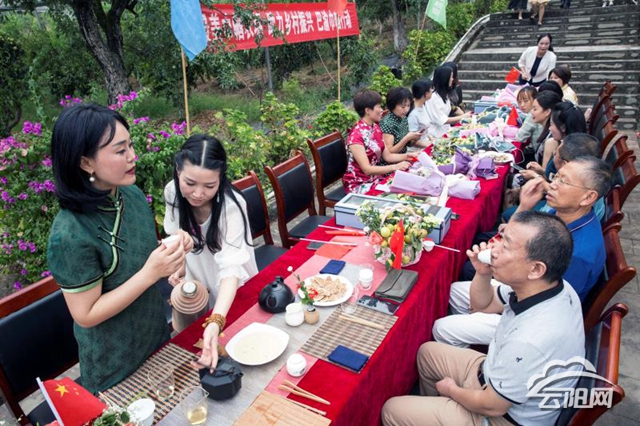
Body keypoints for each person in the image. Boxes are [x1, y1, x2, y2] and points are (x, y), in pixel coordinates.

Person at [383, 212, 585, 426]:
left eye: (505, 246)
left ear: (535, 269)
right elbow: (483, 305)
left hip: (502, 417)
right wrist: (482, 273)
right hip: (490, 374)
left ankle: (437, 412)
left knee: (391, 410)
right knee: (426, 353)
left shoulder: (530, 340)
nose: (493, 248)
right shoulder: (548, 286)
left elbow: (492, 406)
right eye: (501, 238)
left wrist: (451, 390)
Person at [47, 103, 191, 394]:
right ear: (86, 162)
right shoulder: (69, 234)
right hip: (115, 363)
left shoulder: (131, 195)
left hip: (155, 336)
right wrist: (151, 273)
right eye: (120, 150)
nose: (132, 156)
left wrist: (172, 249)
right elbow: (86, 314)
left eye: (130, 145)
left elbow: (136, 258)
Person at [435, 156, 610, 348]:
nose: (552, 184)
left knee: (443, 328)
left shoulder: (580, 254)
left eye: (564, 181)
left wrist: (492, 304)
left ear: (588, 197)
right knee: (455, 290)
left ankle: (482, 353)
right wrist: (524, 206)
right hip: (525, 287)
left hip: (533, 320)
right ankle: (470, 336)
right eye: (556, 177)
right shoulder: (562, 213)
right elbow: (514, 238)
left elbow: (549, 304)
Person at [164, 135, 258, 371]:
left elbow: (231, 270)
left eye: (209, 186)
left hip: (234, 285)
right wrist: (180, 268)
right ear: (178, 170)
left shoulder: (231, 206)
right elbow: (176, 234)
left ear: (221, 179)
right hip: (199, 282)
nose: (198, 193)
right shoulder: (172, 192)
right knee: (201, 352)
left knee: (244, 351)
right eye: (190, 183)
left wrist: (216, 320)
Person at [343, 89, 417, 193]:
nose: (382, 110)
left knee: (410, 183)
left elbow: (388, 156)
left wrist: (409, 156)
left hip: (376, 178)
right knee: (403, 191)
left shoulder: (375, 127)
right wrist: (395, 167)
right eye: (378, 107)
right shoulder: (356, 136)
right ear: (368, 110)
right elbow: (367, 169)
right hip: (359, 183)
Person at [424, 66, 471, 138]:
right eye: (451, 77)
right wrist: (463, 116)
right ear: (445, 79)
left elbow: (454, 109)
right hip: (434, 134)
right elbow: (441, 120)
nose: (452, 79)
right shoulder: (433, 98)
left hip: (444, 131)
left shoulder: (444, 95)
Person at [380, 87, 422, 156]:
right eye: (403, 107)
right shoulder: (387, 123)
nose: (406, 109)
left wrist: (414, 138)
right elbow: (389, 152)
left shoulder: (403, 118)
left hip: (403, 157)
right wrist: (406, 138)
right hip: (393, 161)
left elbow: (408, 144)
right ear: (393, 105)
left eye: (408, 105)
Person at [407, 79, 434, 147]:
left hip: (426, 143)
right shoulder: (413, 114)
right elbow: (412, 139)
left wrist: (431, 139)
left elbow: (424, 129)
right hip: (417, 149)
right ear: (426, 93)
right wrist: (429, 145)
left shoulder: (423, 106)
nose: (432, 91)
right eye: (431, 89)